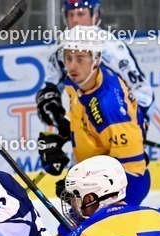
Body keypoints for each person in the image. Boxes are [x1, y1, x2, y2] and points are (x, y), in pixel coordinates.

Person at [38, 25, 150, 213]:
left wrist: (93, 201)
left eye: (80, 59)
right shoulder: (79, 80)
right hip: (90, 187)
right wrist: (63, 132)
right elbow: (83, 114)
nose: (72, 66)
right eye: (68, 58)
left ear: (96, 60)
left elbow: (134, 175)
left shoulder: (111, 108)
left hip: (110, 195)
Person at [36, 0, 153, 141]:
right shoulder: (61, 48)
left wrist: (135, 120)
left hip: (115, 129)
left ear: (95, 16)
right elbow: (49, 88)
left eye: (81, 14)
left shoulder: (110, 49)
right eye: (71, 14)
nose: (75, 20)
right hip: (84, 133)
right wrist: (57, 116)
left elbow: (143, 91)